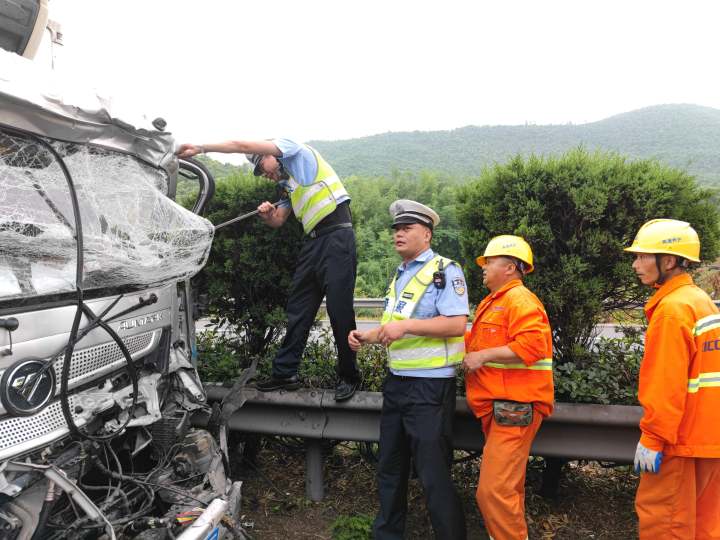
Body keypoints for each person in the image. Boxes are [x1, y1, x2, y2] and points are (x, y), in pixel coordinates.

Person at [177, 138, 360, 401]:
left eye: (262, 164)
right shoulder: (288, 186)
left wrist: (203, 148)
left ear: (271, 153)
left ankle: (349, 375)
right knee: (298, 307)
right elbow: (278, 220)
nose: (265, 174)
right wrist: (267, 214)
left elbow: (241, 145)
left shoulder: (296, 151)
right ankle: (285, 372)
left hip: (337, 237)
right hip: (314, 243)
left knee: (338, 310)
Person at [348, 200, 467, 540]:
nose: (398, 234)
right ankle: (386, 535)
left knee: (433, 474)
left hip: (429, 389)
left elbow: (457, 324)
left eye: (407, 229)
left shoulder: (445, 270)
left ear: (426, 235)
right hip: (398, 383)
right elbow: (394, 327)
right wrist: (365, 336)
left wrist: (409, 327)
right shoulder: (401, 274)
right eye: (396, 229)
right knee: (390, 467)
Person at [624, 219, 720, 538]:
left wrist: (652, 439)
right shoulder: (700, 300)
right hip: (707, 439)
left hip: (677, 442)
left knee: (665, 525)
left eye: (642, 256)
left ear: (668, 261)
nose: (636, 264)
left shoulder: (672, 310)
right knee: (702, 526)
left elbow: (666, 384)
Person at [462, 235, 554, 540]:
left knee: (493, 493)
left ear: (511, 267)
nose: (483, 268)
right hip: (501, 410)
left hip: (515, 409)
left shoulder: (519, 299)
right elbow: (478, 342)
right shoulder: (497, 302)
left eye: (489, 261)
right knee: (506, 491)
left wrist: (482, 356)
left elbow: (532, 345)